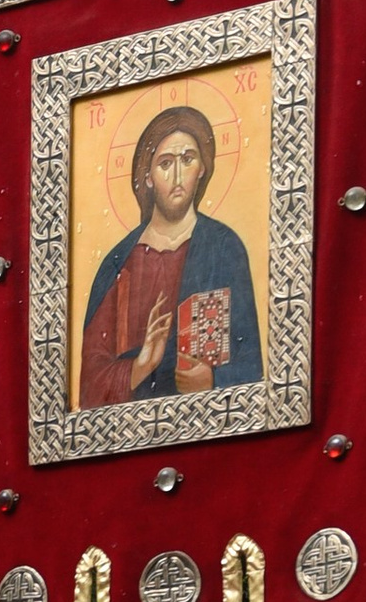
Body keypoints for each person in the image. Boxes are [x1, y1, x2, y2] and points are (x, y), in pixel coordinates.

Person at [75, 99, 264, 406]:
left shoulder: (224, 248)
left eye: (187, 159)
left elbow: (254, 368)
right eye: (165, 163)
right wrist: (139, 368)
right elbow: (89, 387)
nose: (177, 177)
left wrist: (213, 382)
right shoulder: (119, 263)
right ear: (147, 176)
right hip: (131, 437)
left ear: (203, 168)